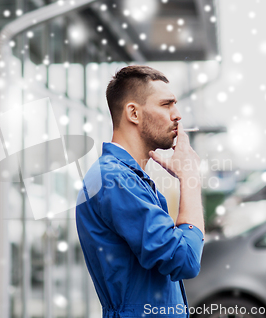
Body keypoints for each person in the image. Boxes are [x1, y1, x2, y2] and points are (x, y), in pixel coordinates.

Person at [75, 65, 205, 318]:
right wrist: (190, 179)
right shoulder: (116, 179)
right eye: (166, 105)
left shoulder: (126, 178)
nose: (177, 115)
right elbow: (185, 260)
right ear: (133, 113)